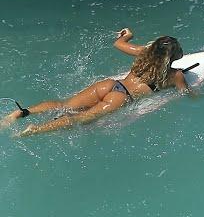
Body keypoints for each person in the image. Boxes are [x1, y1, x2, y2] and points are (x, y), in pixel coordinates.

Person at [1, 28, 188, 136]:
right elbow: (184, 94)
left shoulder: (143, 53)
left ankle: (22, 112)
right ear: (172, 56)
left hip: (108, 85)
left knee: (63, 105)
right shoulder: (175, 75)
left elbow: (118, 44)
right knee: (80, 118)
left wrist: (127, 34)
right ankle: (35, 130)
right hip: (120, 98)